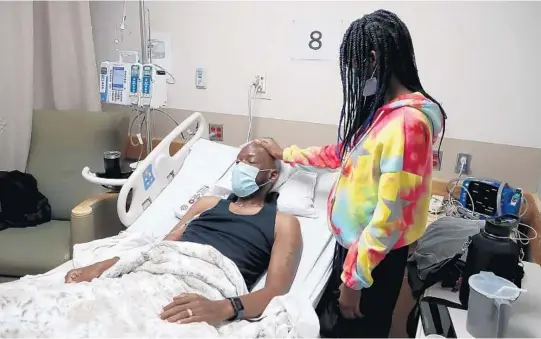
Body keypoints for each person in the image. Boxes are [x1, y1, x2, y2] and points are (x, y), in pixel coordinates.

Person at [256, 9, 446, 338]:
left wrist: (353, 281)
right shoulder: (383, 115)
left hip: (372, 263)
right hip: (355, 253)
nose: (354, 77)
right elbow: (340, 153)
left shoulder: (407, 124)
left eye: (355, 67)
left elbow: (389, 217)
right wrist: (285, 152)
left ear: (372, 60)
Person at [64, 142, 302, 326]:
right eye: (238, 162)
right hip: (159, 273)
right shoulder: (207, 203)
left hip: (206, 288)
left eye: (249, 162)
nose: (240, 168)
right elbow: (161, 248)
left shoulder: (283, 222)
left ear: (272, 175)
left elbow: (275, 291)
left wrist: (223, 308)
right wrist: (107, 265)